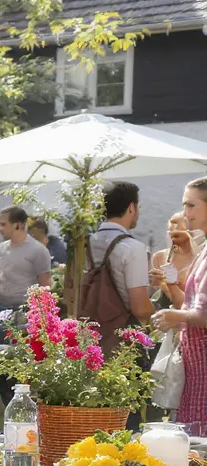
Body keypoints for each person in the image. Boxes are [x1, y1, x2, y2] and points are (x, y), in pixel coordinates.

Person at [154, 178, 207, 430]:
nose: (185, 214)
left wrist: (177, 316)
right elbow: (190, 302)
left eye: (191, 206)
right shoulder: (205, 248)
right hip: (196, 368)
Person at [88, 181, 155, 331]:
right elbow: (141, 309)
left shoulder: (87, 243)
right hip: (120, 334)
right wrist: (157, 308)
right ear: (132, 207)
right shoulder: (133, 248)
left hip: (86, 329)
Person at [0, 206, 53, 310]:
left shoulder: (38, 250)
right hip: (0, 307)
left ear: (17, 225)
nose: (0, 228)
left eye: (3, 224)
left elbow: (45, 286)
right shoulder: (1, 248)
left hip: (25, 310)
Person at [150, 212, 203, 309]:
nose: (172, 226)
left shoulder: (200, 260)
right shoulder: (160, 257)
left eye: (179, 223)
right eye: (171, 223)